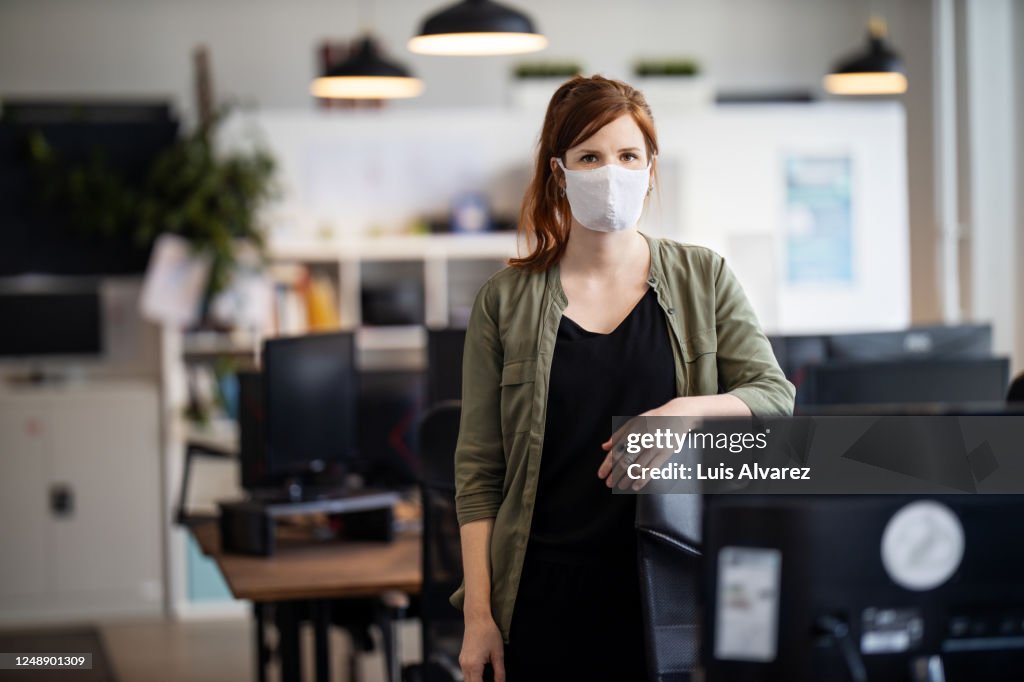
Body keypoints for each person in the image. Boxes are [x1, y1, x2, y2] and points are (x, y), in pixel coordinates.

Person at [450, 75, 795, 682]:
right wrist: (479, 616)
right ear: (560, 171)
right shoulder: (504, 301)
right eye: (590, 157)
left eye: (627, 156)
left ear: (650, 168)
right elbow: (479, 476)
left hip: (671, 586)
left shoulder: (703, 276)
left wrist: (682, 413)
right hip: (542, 596)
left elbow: (775, 400)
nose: (611, 172)